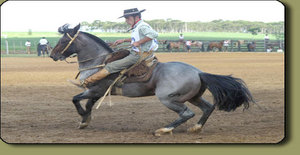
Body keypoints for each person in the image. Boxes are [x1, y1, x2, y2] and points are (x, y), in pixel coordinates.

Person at [82, 8, 159, 87]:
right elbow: (137, 38)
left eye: (127, 18)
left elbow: (154, 35)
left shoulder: (142, 26)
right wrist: (124, 40)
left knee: (111, 66)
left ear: (136, 17)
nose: (126, 20)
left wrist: (139, 43)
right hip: (137, 52)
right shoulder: (138, 26)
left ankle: (86, 82)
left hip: (138, 55)